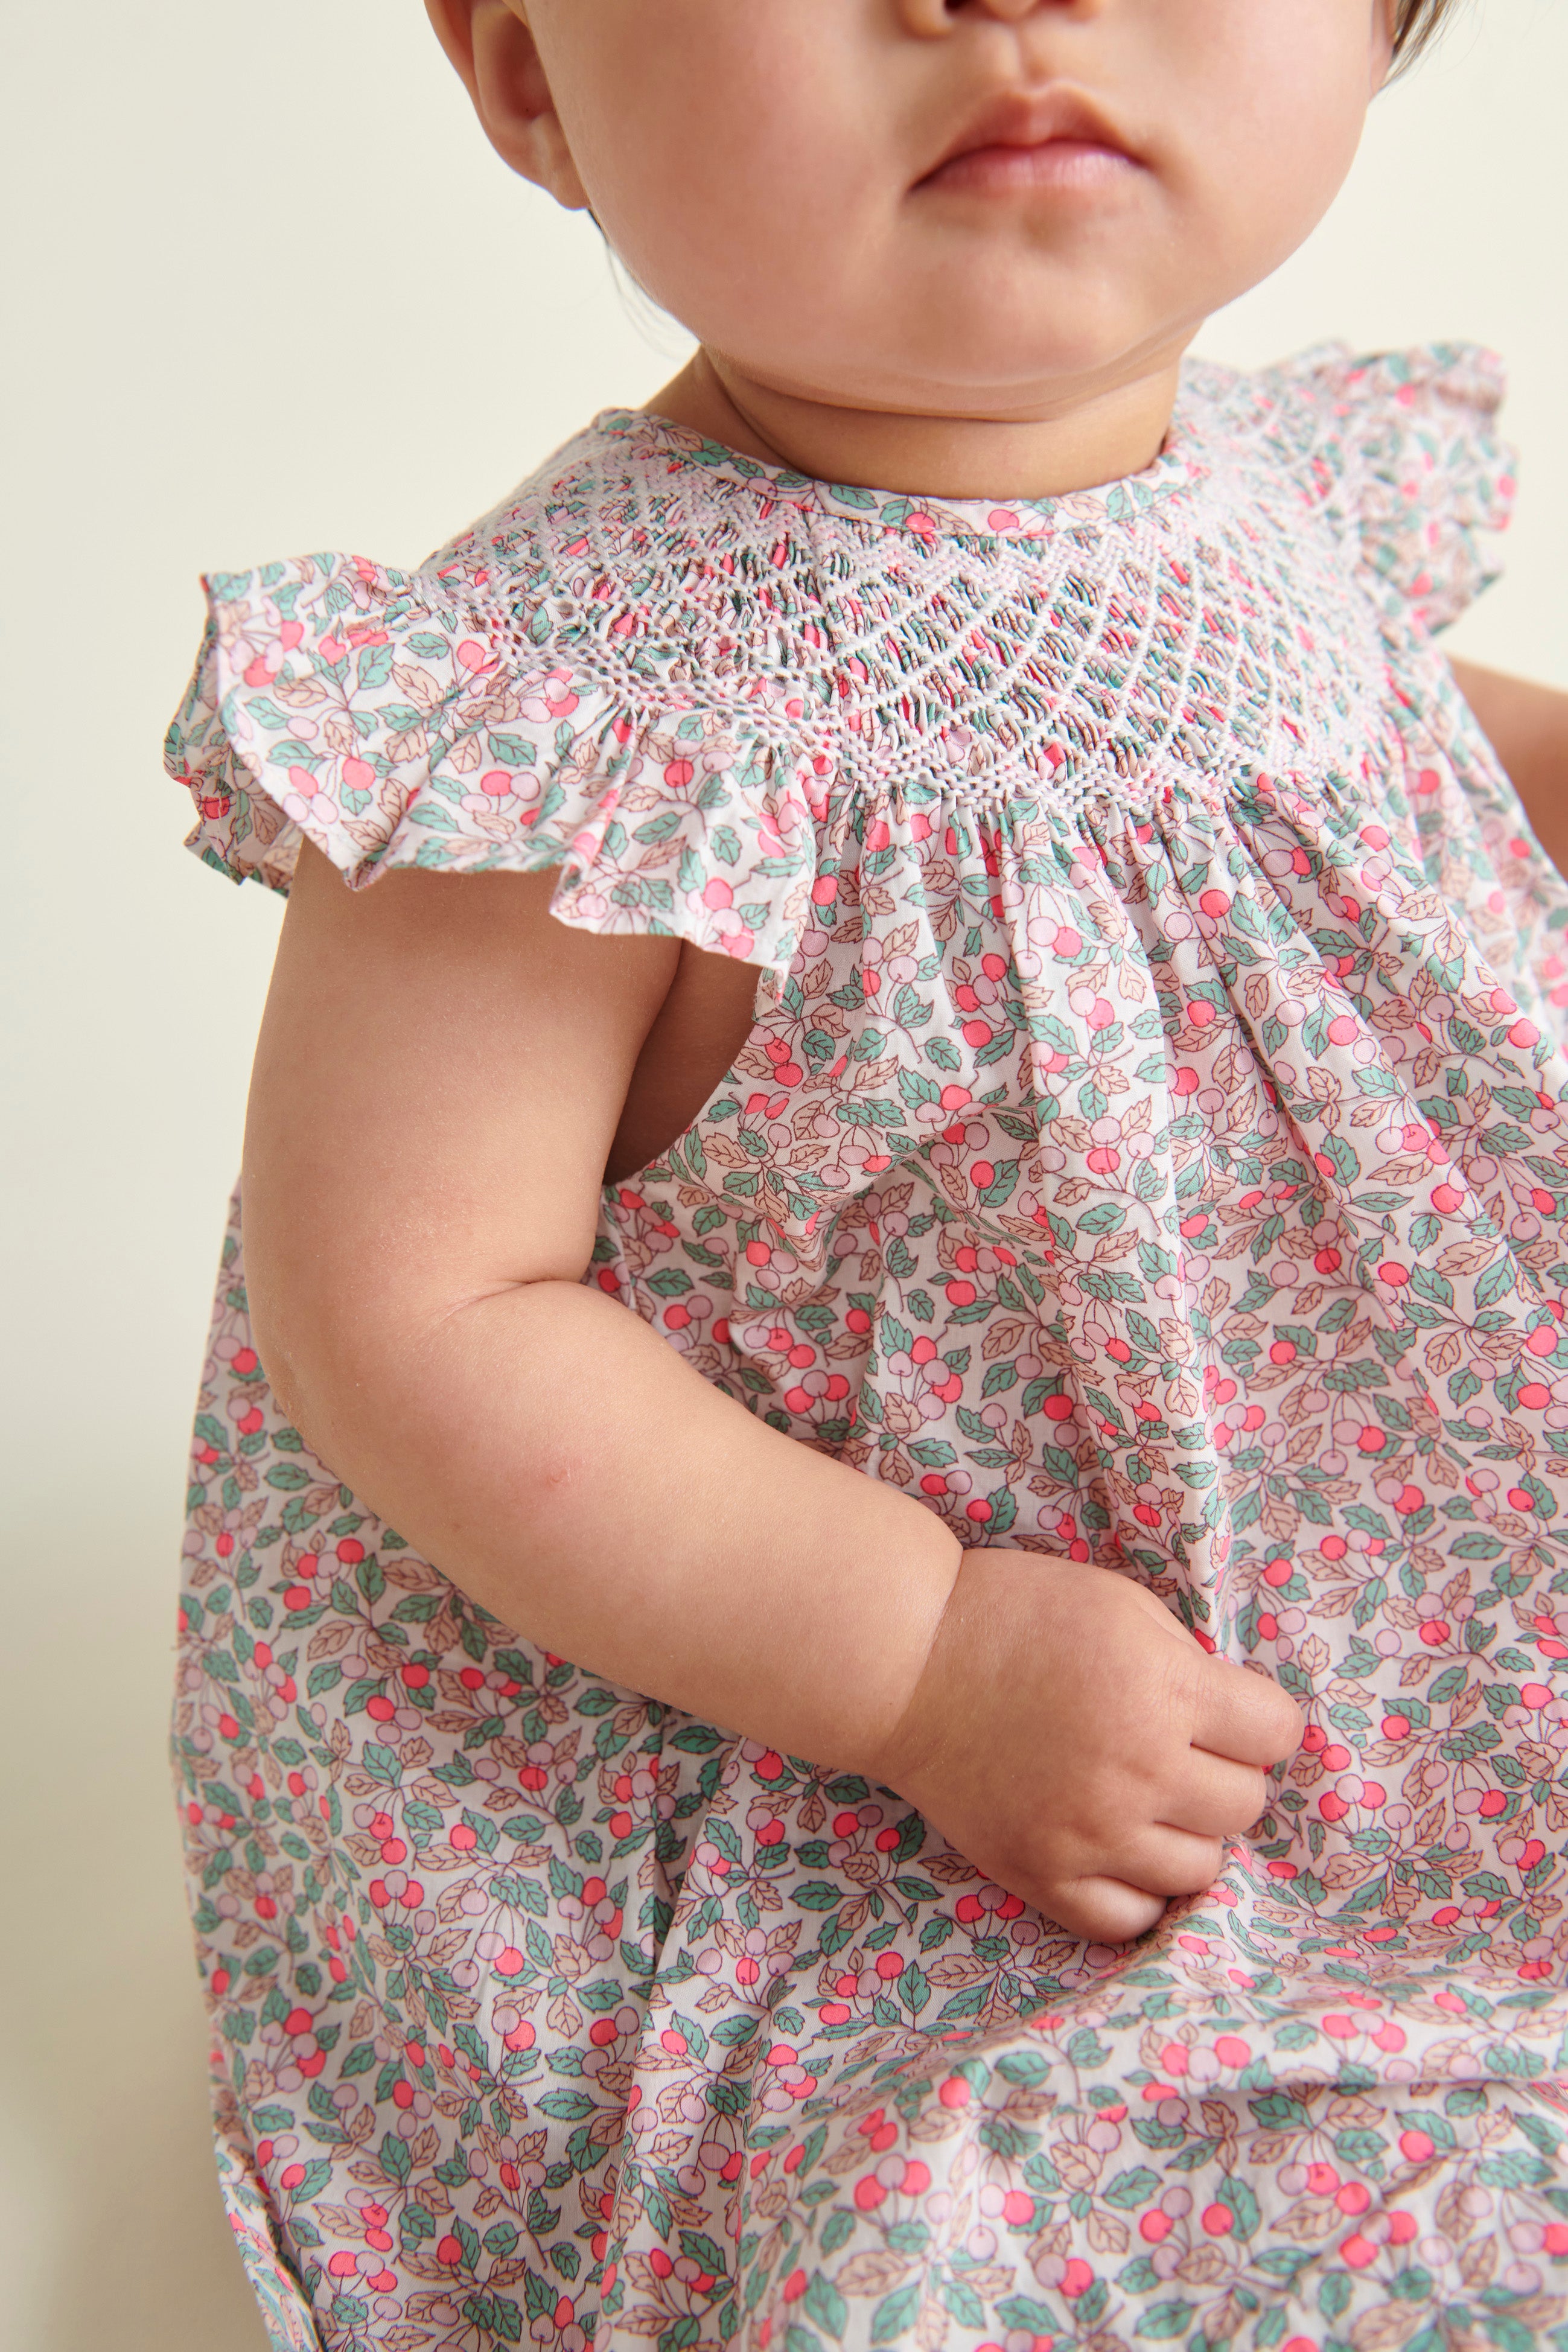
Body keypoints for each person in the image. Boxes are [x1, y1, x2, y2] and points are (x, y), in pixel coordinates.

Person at [162, 4, 1568, 2347]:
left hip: (1373, 1536)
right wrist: (918, 1662)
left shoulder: (1274, 490)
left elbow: (1376, 756)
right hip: (826, 1711)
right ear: (526, 72)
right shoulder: (565, 718)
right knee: (1101, 2210)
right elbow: (413, 1314)